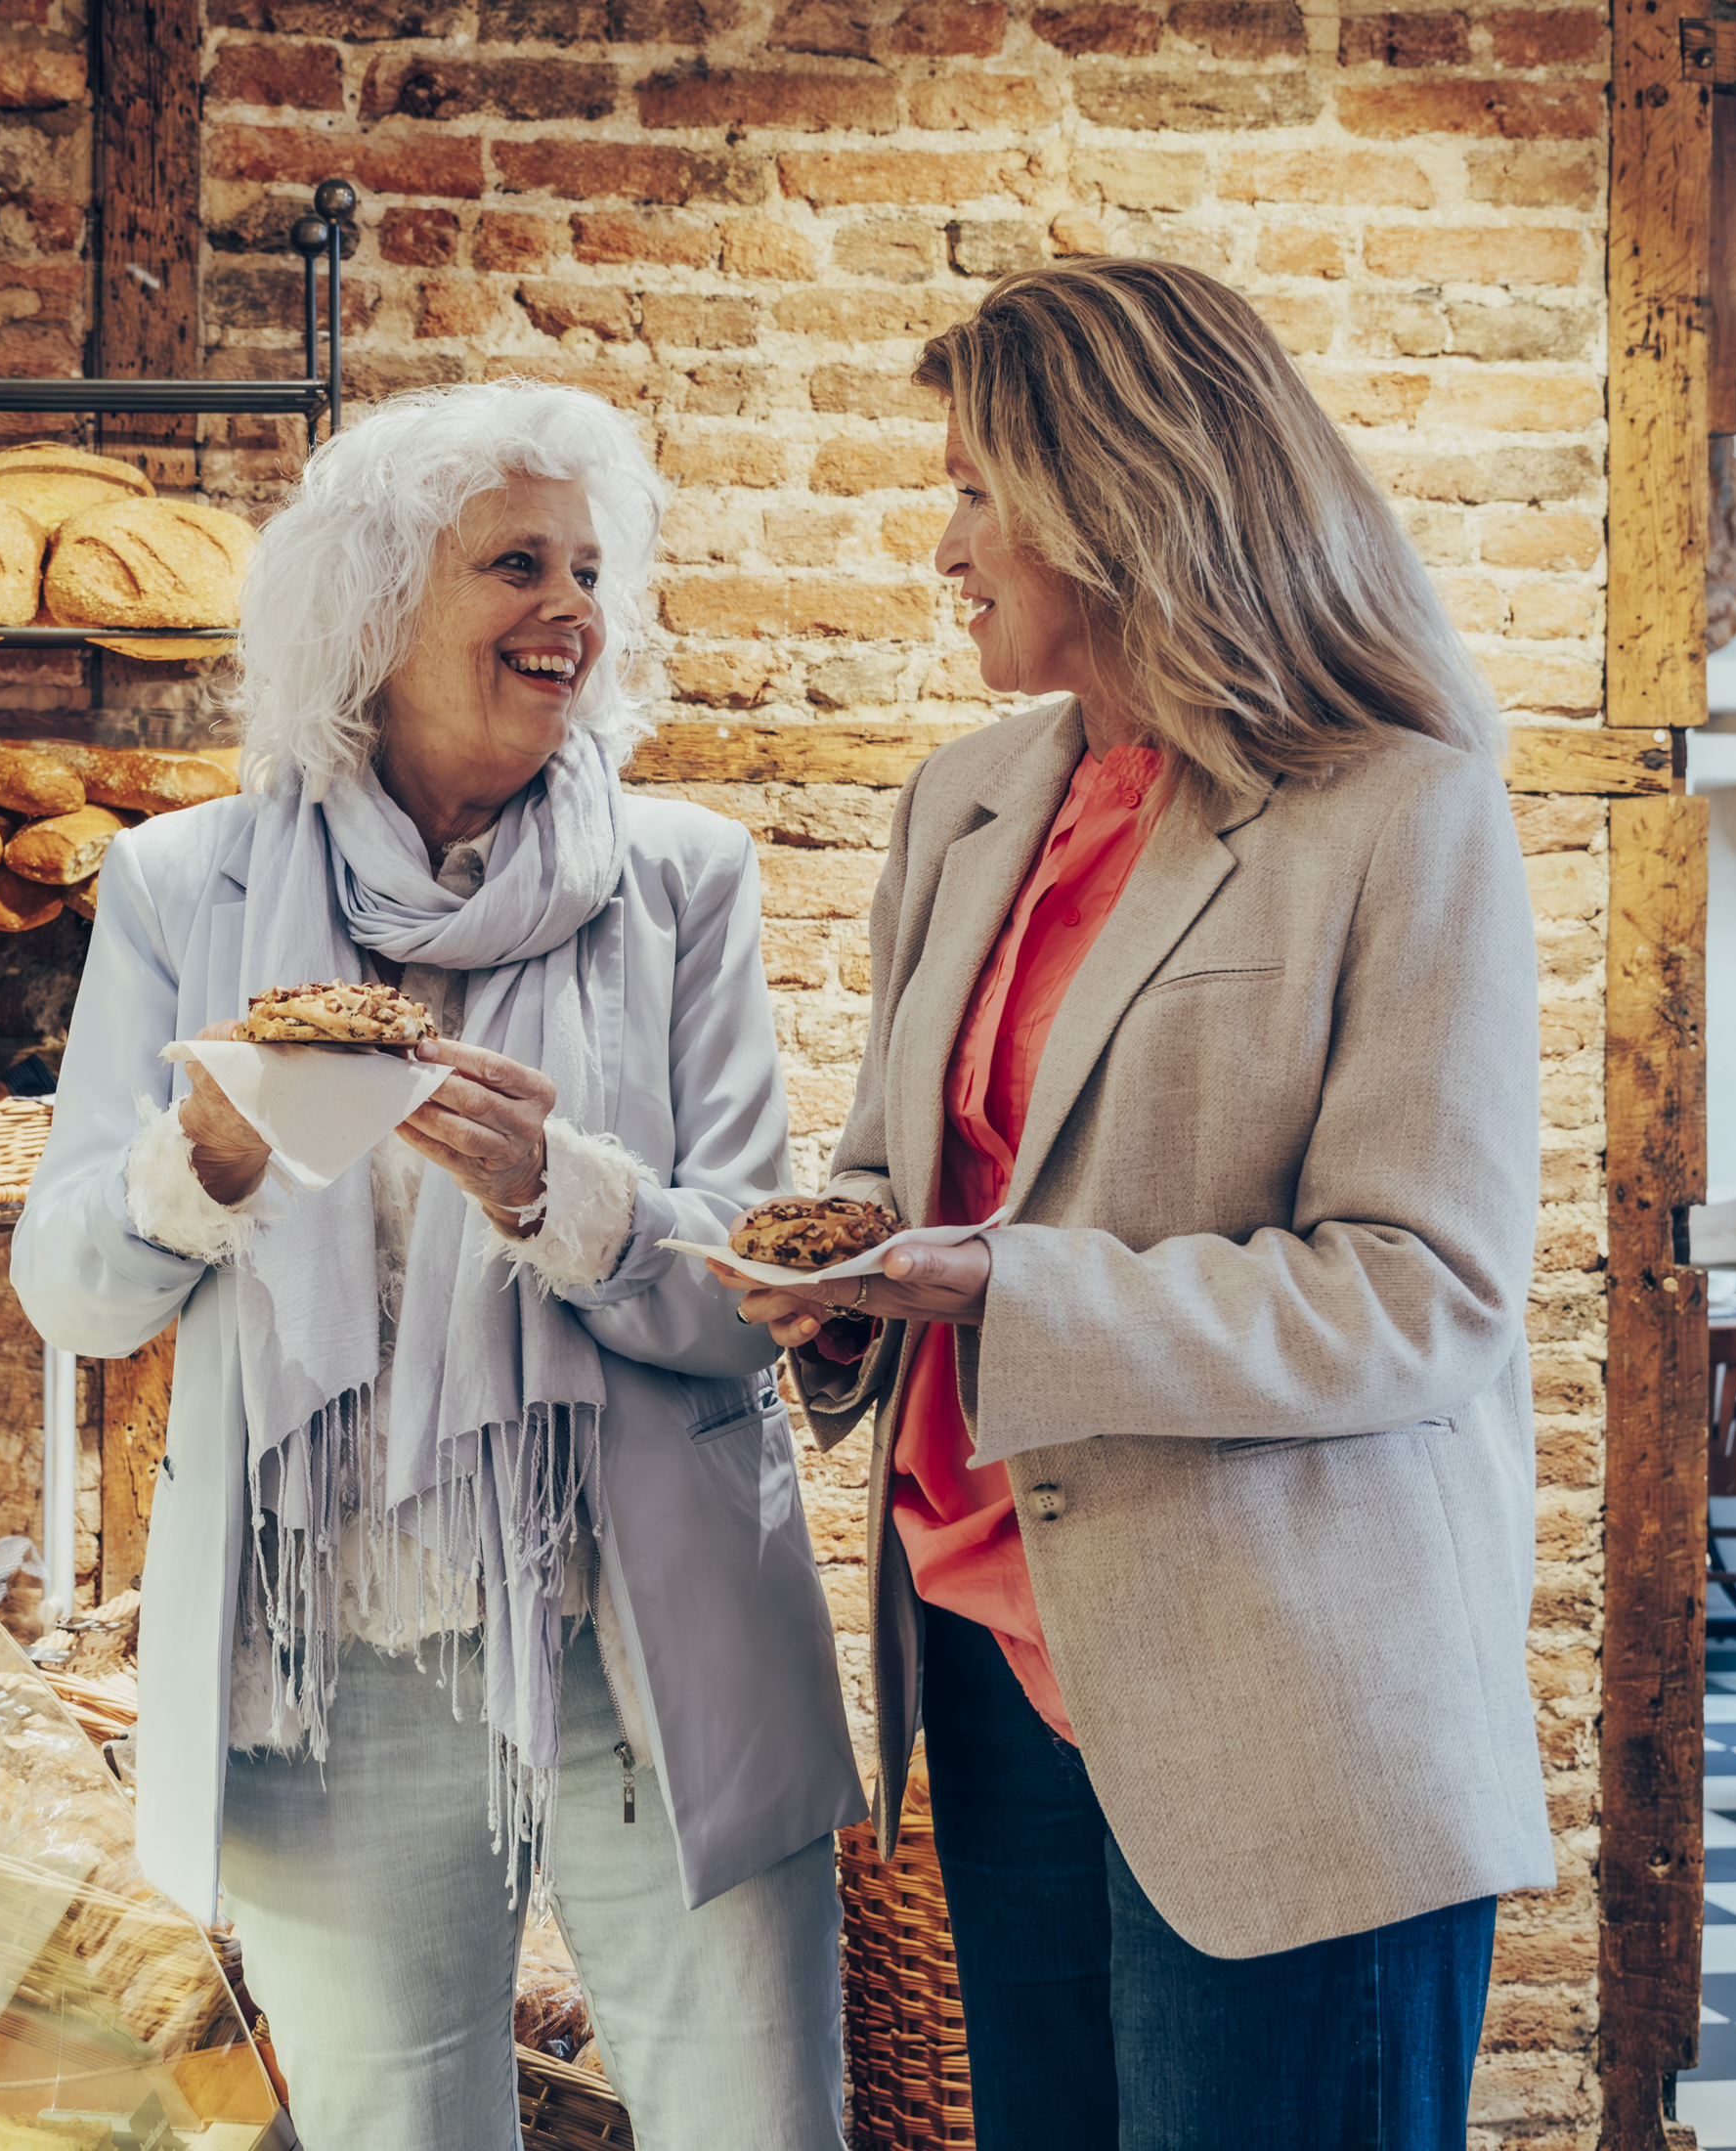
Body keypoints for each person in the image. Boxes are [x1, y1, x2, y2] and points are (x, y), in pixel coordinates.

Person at [722, 258, 1550, 2148]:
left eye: (975, 493)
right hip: (990, 1666)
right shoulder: (965, 801)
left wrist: (998, 1289)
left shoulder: (1399, 811)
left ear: (1118, 497)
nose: (944, 547)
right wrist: (844, 1288)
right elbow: (904, 1173)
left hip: (1283, 1702)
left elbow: (1419, 1294)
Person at [13, 380, 863, 2151]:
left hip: (646, 1623)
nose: (572, 609)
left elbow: (742, 1313)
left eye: (591, 570)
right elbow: (75, 1295)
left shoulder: (684, 879)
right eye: (516, 565)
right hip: (336, 1647)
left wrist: (561, 1192)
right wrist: (204, 1166)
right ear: (377, 605)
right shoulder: (183, 885)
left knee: (757, 2120)